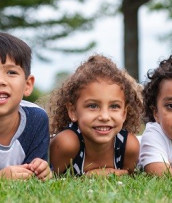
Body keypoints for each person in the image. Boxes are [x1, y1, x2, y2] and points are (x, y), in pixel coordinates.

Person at [49, 54, 142, 176]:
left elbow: (128, 176)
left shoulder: (128, 146)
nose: (104, 116)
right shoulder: (67, 144)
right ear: (73, 111)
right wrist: (91, 176)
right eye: (93, 106)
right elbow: (49, 178)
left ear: (124, 113)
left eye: (114, 106)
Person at [0, 32, 51, 180]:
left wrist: (41, 170)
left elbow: (33, 176)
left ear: (27, 85)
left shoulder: (36, 119)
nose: (1, 81)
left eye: (11, 72)